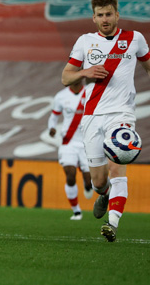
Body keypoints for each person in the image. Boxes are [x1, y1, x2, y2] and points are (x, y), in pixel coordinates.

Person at [61, 0, 150, 242]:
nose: (105, 19)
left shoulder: (134, 39)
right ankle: (104, 193)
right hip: (92, 116)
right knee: (98, 181)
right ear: (94, 18)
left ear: (117, 15)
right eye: (100, 15)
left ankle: (112, 223)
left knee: (117, 166)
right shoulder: (85, 42)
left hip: (121, 114)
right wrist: (85, 71)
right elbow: (66, 77)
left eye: (109, 14)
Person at [47, 81, 94, 220]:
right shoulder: (61, 96)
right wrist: (52, 127)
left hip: (87, 142)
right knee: (70, 173)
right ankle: (76, 211)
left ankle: (88, 185)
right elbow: (54, 116)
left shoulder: (90, 92)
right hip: (69, 142)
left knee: (89, 179)